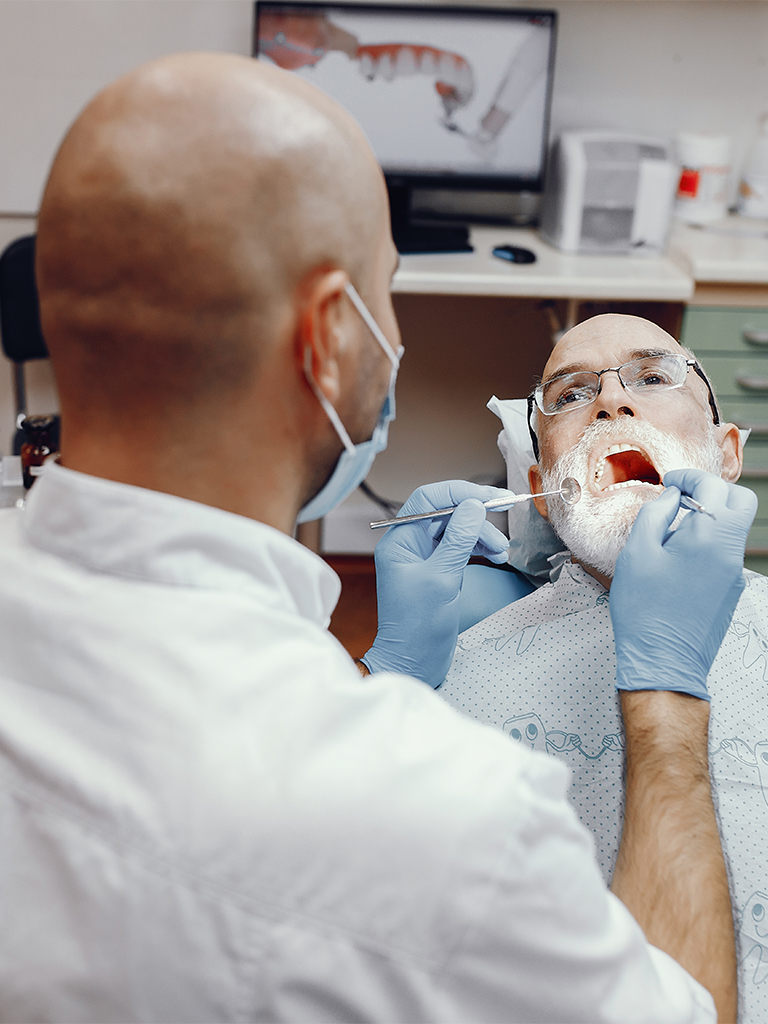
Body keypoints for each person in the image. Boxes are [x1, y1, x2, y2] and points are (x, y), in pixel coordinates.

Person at [0, 52, 754, 1023]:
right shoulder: (455, 819)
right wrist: (664, 699)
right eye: (386, 289)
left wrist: (392, 670)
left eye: (651, 378)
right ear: (330, 335)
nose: (611, 398)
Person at [438, 312, 768, 1022]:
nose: (612, 403)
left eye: (653, 377)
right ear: (538, 482)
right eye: (570, 394)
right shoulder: (451, 678)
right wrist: (394, 675)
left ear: (727, 452)